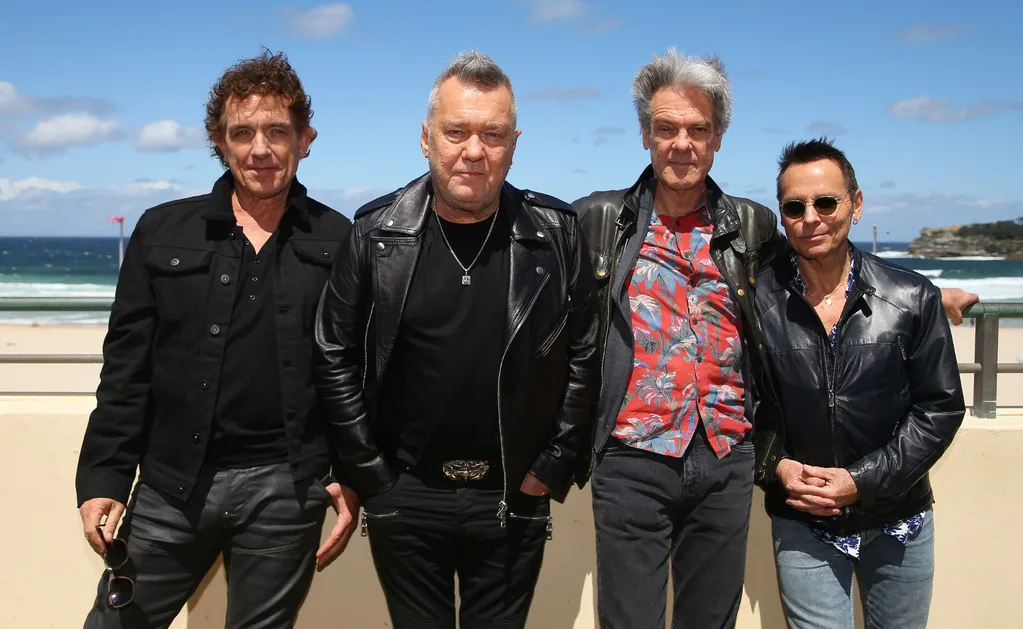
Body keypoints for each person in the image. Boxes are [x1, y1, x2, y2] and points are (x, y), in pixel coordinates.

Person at [574, 48, 978, 628]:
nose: (682, 143)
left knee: (712, 619)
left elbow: (825, 267)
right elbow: (538, 286)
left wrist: (932, 295)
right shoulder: (598, 219)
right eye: (666, 128)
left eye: (698, 129)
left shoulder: (755, 223)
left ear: (717, 139)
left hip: (726, 460)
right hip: (631, 459)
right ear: (645, 135)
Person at [313, 50, 599, 629]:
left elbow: (586, 353)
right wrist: (371, 473)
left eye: (492, 134)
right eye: (456, 131)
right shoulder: (377, 231)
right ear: (426, 138)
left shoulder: (555, 233)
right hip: (406, 495)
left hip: (514, 492)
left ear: (514, 143)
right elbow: (333, 351)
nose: (474, 151)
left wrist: (551, 463)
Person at [76, 51, 357, 629]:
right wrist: (104, 478)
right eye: (243, 132)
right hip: (169, 486)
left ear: (305, 139)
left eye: (278, 131)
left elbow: (357, 372)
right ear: (219, 141)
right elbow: (126, 367)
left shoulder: (342, 239)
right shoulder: (162, 230)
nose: (261, 148)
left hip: (288, 490)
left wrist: (352, 477)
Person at [756, 137, 965, 629]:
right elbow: (741, 407)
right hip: (802, 518)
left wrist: (861, 481)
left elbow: (940, 408)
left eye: (826, 202)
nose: (812, 217)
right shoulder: (756, 303)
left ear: (856, 203)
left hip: (900, 519)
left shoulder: (912, 296)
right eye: (794, 206)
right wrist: (776, 467)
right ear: (781, 214)